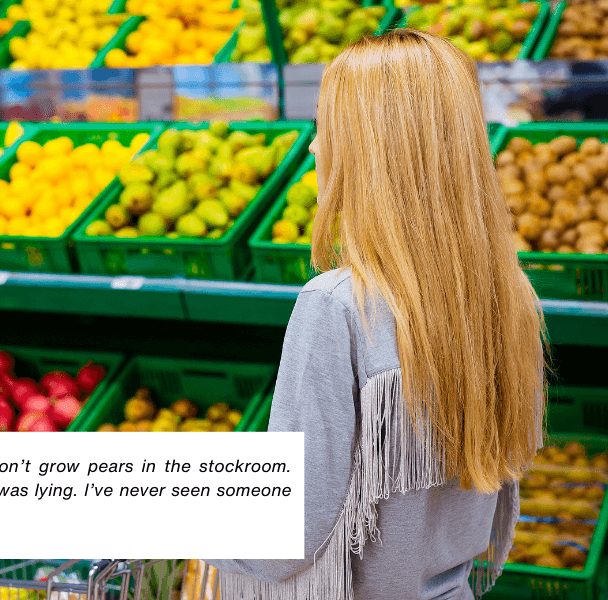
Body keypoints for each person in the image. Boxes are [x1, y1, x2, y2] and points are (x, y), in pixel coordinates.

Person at [204, 29, 547, 600]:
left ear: (370, 151)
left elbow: (283, 532)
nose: (313, 149)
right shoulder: (505, 297)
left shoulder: (337, 305)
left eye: (326, 129)